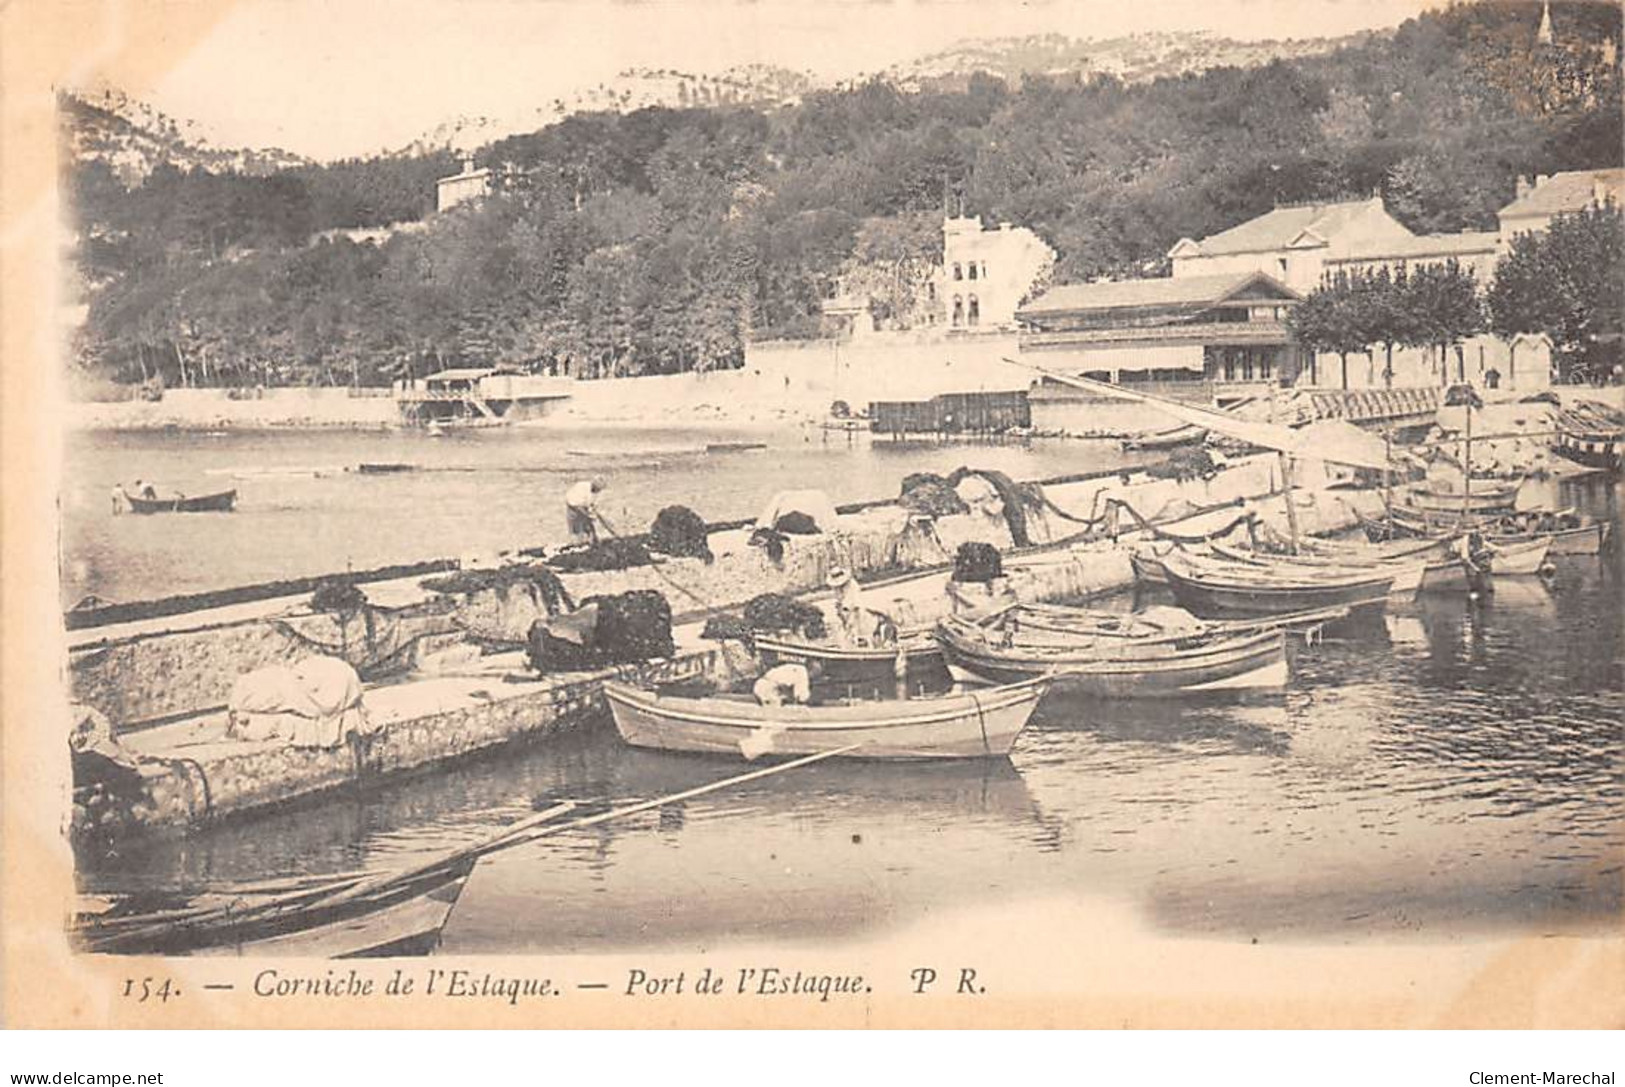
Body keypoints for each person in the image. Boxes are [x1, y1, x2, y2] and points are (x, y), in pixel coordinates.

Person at [565, 479, 604, 545]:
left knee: (588, 527)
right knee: (577, 530)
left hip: (583, 507)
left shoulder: (593, 492)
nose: (597, 492)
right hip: (574, 508)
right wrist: (587, 515)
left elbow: (592, 504)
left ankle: (592, 540)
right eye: (597, 489)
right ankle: (578, 545)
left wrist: (593, 513)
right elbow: (576, 505)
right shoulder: (582, 488)